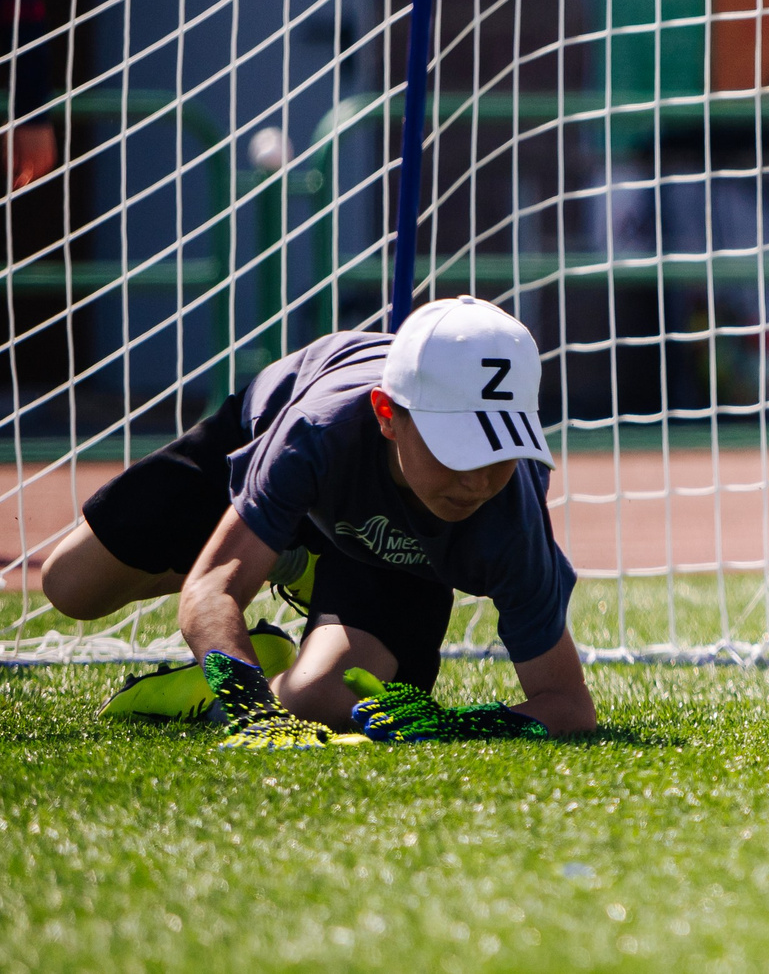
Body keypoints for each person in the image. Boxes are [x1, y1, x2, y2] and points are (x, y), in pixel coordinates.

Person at [40, 298, 596, 747]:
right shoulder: (313, 432)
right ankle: (288, 555)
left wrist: (459, 725)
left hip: (383, 550)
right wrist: (251, 710)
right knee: (70, 585)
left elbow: (568, 705)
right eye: (458, 449)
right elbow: (213, 588)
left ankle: (253, 644)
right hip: (270, 448)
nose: (477, 480)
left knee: (327, 703)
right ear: (388, 416)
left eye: (501, 450)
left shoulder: (511, 516)